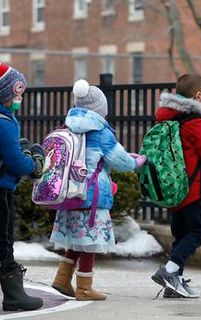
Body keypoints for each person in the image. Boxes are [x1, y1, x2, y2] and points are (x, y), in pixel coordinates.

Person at [50, 79, 146, 301]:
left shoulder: (68, 125)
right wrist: (136, 162)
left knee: (78, 238)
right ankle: (84, 288)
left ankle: (62, 279)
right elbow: (119, 159)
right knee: (90, 241)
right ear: (100, 109)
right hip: (91, 194)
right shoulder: (101, 130)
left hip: (70, 191)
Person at [151, 74, 201, 298]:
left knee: (181, 234)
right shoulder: (196, 122)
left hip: (172, 187)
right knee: (197, 231)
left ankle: (176, 284)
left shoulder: (167, 118)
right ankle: (170, 271)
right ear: (198, 96)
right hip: (193, 188)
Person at [0, 62, 45, 311]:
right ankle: (14, 294)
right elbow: (15, 162)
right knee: (3, 241)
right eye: (17, 93)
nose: (19, 98)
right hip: (2, 190)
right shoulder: (4, 123)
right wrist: (33, 162)